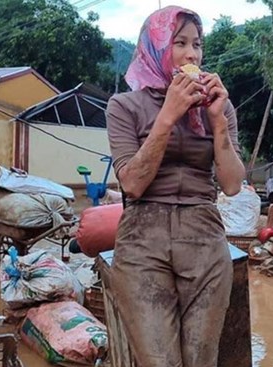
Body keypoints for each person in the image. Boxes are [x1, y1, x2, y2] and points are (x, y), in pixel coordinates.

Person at [105, 5, 245, 367]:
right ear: (155, 48)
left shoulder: (218, 107)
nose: (192, 54)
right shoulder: (123, 106)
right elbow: (132, 184)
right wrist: (168, 116)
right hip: (142, 241)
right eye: (179, 43)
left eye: (197, 45)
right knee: (158, 361)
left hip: (204, 235)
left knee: (202, 360)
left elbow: (231, 185)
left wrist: (217, 124)